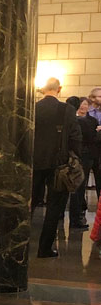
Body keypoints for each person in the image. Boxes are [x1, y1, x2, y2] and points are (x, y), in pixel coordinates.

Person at [32, 78, 82, 258]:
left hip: (34, 163)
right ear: (59, 89)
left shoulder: (33, 108)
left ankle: (18, 246)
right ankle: (44, 248)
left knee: (29, 203)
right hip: (59, 164)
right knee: (55, 207)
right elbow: (76, 137)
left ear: (43, 89)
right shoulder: (67, 110)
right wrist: (75, 157)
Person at [66, 96, 98, 229]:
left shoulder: (76, 120)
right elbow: (91, 138)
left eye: (86, 104)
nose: (84, 106)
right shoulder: (81, 122)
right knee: (78, 187)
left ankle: (74, 214)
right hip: (83, 156)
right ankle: (75, 217)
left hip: (80, 155)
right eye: (82, 104)